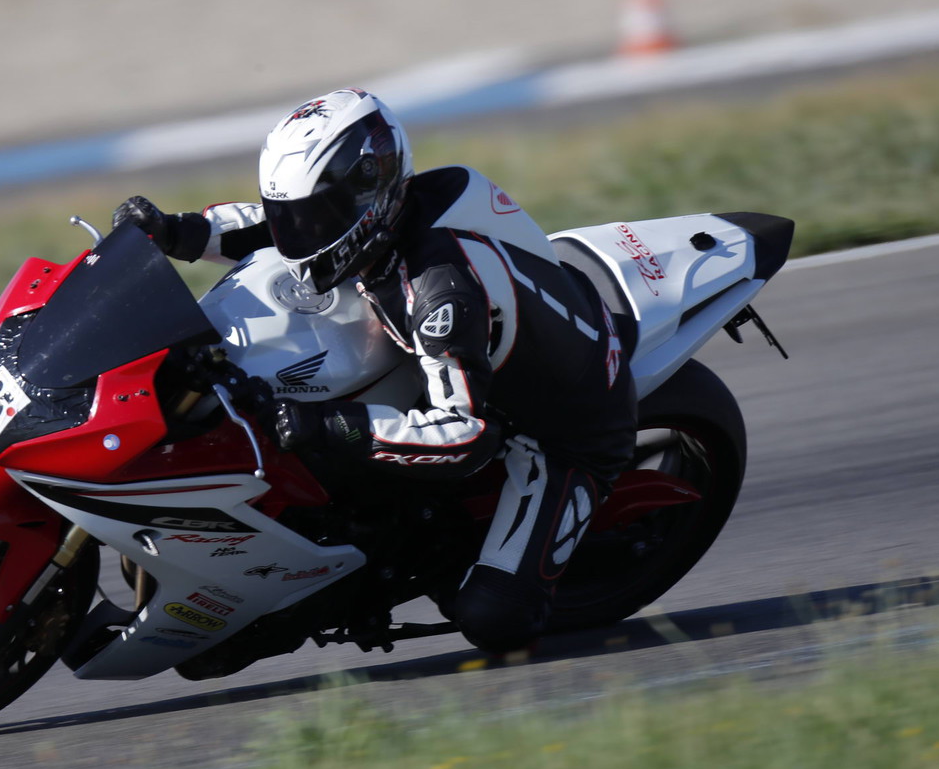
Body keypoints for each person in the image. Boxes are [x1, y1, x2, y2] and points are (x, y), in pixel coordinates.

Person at [113, 88, 637, 653]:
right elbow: (272, 226)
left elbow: (466, 435)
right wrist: (172, 230)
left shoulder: (440, 298)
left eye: (312, 218)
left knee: (493, 617)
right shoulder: (379, 219)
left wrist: (331, 424)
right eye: (295, 216)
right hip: (473, 357)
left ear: (371, 199)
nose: (296, 233)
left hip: (559, 429)